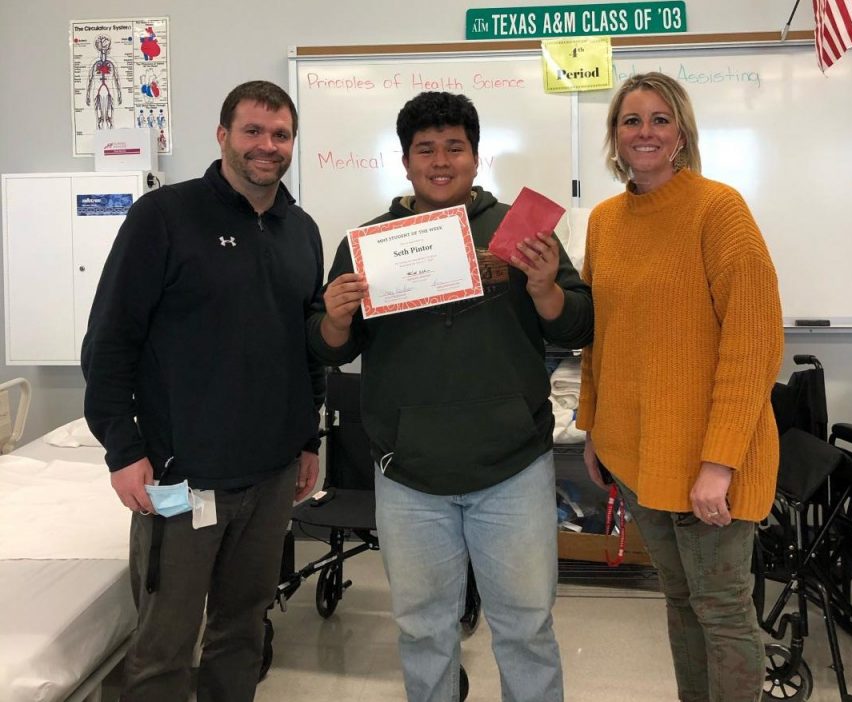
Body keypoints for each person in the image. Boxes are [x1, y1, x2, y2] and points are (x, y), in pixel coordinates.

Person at [308, 91, 593, 702]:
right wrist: (333, 317)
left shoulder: (520, 231)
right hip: (409, 475)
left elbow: (577, 327)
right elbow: (331, 348)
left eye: (454, 147)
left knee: (526, 628)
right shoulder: (369, 243)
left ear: (475, 156)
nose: (441, 161)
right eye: (426, 149)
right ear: (406, 162)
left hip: (512, 467)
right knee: (421, 630)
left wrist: (544, 287)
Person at [81, 80, 325, 702]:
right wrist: (122, 449)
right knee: (163, 648)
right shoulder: (163, 218)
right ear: (222, 136)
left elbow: (304, 351)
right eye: (252, 131)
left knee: (243, 631)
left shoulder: (303, 231)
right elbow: (109, 343)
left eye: (280, 134)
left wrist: (306, 439)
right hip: (178, 479)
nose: (267, 146)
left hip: (271, 477)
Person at [576, 72, 783, 702]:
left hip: (707, 464)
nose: (645, 132)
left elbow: (753, 347)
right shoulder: (606, 221)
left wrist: (719, 464)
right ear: (615, 136)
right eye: (631, 120)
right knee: (678, 600)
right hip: (635, 456)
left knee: (722, 613)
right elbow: (600, 337)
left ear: (682, 132)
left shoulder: (719, 210)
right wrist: (593, 428)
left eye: (660, 119)